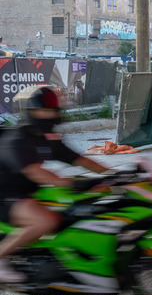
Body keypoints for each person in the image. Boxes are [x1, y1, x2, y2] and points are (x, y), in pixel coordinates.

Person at [0, 86, 107, 284]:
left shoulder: (47, 139)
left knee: (76, 209)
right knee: (45, 221)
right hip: (6, 195)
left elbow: (78, 159)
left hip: (28, 193)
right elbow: (34, 172)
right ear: (32, 112)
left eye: (53, 110)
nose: (50, 115)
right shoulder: (18, 139)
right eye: (45, 110)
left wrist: (112, 175)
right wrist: (70, 183)